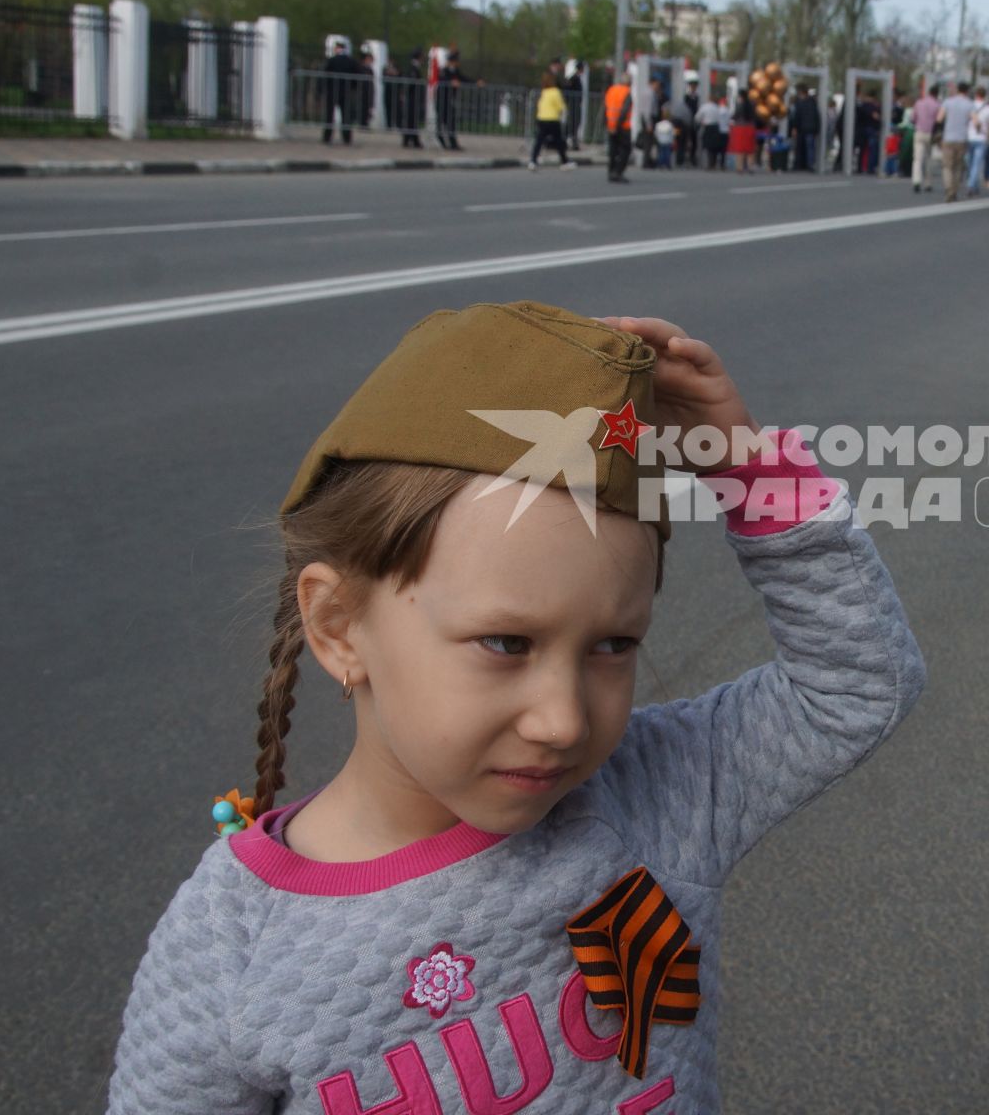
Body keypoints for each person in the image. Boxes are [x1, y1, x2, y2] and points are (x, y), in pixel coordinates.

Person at [105, 300, 925, 1114]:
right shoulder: (230, 947)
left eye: (612, 646)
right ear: (337, 624)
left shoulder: (655, 796)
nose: (563, 722)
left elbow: (854, 685)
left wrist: (746, 469)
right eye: (505, 643)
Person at [320, 41, 363, 146]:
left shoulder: (332, 60)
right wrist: (353, 87)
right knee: (346, 116)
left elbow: (325, 75)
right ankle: (347, 137)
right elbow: (358, 74)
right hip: (346, 91)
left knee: (329, 115)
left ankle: (327, 137)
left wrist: (322, 89)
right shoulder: (351, 61)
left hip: (333, 91)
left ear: (337, 49)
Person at [528, 68, 573, 170]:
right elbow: (560, 106)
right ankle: (564, 162)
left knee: (539, 141)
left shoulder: (544, 92)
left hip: (541, 118)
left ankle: (533, 161)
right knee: (559, 141)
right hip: (552, 119)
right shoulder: (555, 92)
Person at [940, 81, 973, 202]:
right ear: (967, 91)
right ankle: (954, 191)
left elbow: (939, 118)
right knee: (958, 166)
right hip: (962, 138)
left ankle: (948, 189)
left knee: (947, 166)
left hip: (948, 137)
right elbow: (975, 120)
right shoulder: (969, 104)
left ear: (958, 89)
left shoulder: (948, 102)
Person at [603, 71, 634, 183]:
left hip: (611, 125)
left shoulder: (611, 90)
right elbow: (624, 111)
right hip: (622, 126)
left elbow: (605, 107)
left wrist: (607, 124)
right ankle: (618, 172)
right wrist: (617, 125)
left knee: (613, 150)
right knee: (626, 149)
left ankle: (611, 171)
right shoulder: (627, 93)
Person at [965, 86, 989, 196]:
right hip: (982, 138)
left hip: (969, 137)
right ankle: (973, 185)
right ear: (985, 95)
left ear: (976, 94)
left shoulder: (969, 105)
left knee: (969, 163)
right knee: (977, 164)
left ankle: (972, 184)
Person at [910, 83, 940, 194]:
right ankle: (928, 183)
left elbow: (913, 118)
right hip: (931, 134)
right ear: (936, 94)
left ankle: (916, 181)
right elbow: (939, 120)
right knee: (929, 158)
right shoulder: (937, 105)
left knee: (917, 159)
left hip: (919, 132)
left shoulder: (919, 102)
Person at [435, 50, 466, 151]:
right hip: (441, 100)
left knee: (450, 122)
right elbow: (442, 79)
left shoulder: (455, 71)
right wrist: (451, 82)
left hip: (449, 101)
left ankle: (453, 143)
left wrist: (476, 82)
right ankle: (441, 139)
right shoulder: (444, 70)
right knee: (441, 122)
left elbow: (462, 78)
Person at [790, 85, 820, 172]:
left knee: (800, 147)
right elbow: (817, 116)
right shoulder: (813, 102)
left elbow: (797, 116)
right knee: (809, 147)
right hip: (810, 129)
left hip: (802, 128)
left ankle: (799, 164)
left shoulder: (799, 103)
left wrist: (795, 127)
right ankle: (809, 164)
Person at [728, 92, 759, 174]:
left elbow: (735, 116)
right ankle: (750, 167)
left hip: (741, 128)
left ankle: (740, 167)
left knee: (740, 149)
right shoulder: (752, 105)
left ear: (741, 96)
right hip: (750, 128)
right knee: (750, 149)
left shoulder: (740, 105)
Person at [695, 90, 723, 171]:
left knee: (707, 146)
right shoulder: (717, 107)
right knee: (714, 147)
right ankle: (713, 164)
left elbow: (697, 117)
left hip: (707, 127)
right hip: (716, 127)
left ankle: (708, 164)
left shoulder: (704, 107)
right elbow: (719, 119)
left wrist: (701, 122)